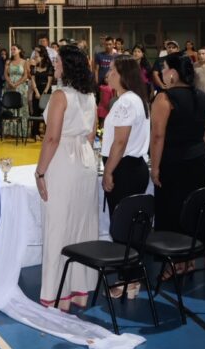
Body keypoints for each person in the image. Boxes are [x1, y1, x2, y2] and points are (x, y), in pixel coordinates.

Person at [33, 45, 98, 311]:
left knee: (58, 225)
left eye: (58, 61)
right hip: (85, 159)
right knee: (82, 224)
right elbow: (92, 135)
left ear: (68, 65)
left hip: (64, 160)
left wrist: (40, 171)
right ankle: (79, 291)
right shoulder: (90, 95)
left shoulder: (61, 95)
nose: (55, 64)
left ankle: (56, 294)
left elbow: (52, 137)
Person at [150, 53, 205, 277]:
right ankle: (190, 259)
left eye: (164, 68)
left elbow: (158, 136)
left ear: (173, 73)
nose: (162, 74)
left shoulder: (164, 98)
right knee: (194, 211)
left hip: (173, 162)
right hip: (198, 161)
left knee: (171, 211)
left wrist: (155, 167)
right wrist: (198, 155)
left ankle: (174, 263)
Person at [102, 56, 151, 216]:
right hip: (132, 167)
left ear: (123, 75)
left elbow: (120, 142)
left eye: (111, 70)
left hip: (124, 170)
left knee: (122, 226)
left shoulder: (126, 102)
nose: (108, 74)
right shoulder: (136, 99)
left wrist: (108, 171)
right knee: (130, 225)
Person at [29, 45, 54, 139]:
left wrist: (44, 93)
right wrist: (36, 92)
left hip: (46, 90)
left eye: (37, 54)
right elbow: (33, 79)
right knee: (35, 111)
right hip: (36, 90)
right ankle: (35, 133)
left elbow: (49, 81)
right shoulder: (33, 66)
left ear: (42, 56)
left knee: (46, 112)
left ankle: (47, 132)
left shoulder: (49, 66)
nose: (35, 56)